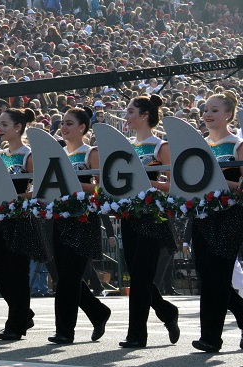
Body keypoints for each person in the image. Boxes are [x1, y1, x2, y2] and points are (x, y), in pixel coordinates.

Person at [119, 95, 180, 348]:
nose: (126, 116)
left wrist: (149, 183)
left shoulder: (160, 147)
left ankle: (137, 335)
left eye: (131, 111)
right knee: (137, 274)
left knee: (141, 276)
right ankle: (167, 312)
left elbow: (177, 183)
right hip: (129, 216)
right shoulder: (125, 147)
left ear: (145, 115)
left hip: (152, 217)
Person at [47, 106, 111, 344]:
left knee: (70, 278)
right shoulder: (58, 153)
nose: (63, 127)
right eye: (62, 123)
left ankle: (65, 331)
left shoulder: (90, 152)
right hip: (60, 220)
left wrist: (73, 183)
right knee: (64, 277)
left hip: (83, 220)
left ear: (82, 127)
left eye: (69, 123)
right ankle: (98, 312)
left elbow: (104, 187)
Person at [191, 90, 243, 352]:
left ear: (228, 114)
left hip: (230, 216)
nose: (207, 115)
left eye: (214, 110)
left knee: (218, 275)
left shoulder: (237, 145)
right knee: (207, 275)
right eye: (205, 110)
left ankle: (210, 338)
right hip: (202, 216)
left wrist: (219, 183)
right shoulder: (198, 146)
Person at [0, 108, 48, 340]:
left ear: (18, 127)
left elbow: (41, 188)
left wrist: (18, 199)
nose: (0, 129)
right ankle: (23, 312)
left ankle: (15, 325)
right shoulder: (0, 154)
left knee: (17, 274)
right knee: (1, 274)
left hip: (21, 219)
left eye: (4, 125)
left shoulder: (29, 155)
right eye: (0, 124)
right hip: (1, 219)